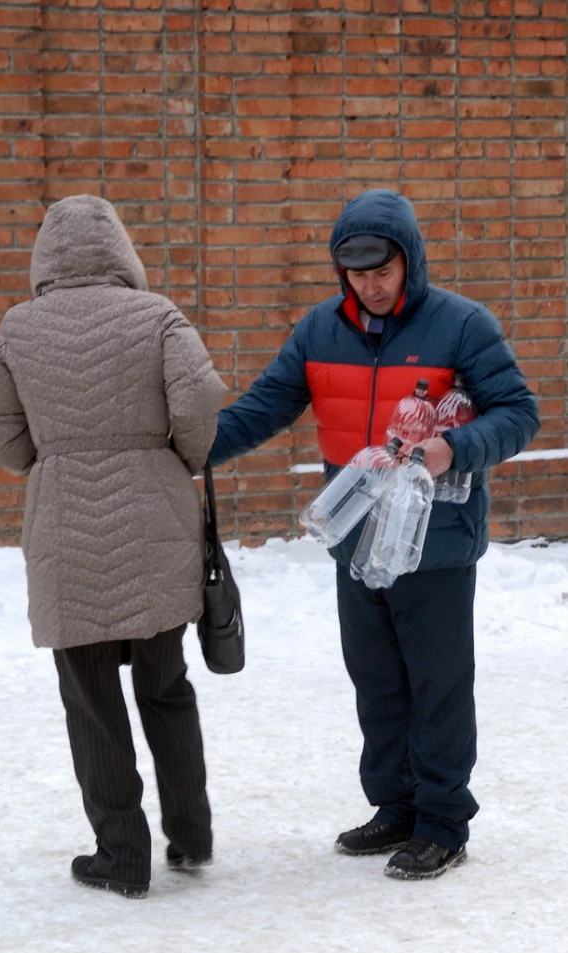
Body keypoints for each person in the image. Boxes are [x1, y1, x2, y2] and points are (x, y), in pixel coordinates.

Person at [210, 189, 539, 880]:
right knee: (377, 682)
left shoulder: (461, 325)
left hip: (437, 539)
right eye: (356, 272)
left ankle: (444, 820)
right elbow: (263, 407)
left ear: (409, 260)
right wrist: (189, 446)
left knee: (437, 683)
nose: (371, 284)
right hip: (358, 540)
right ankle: (396, 805)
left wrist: (457, 446)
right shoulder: (318, 331)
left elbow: (518, 412)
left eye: (382, 269)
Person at [0, 194, 226, 898]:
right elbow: (201, 404)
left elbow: (3, 440)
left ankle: (121, 855)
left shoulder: (16, 329)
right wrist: (173, 456)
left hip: (66, 533)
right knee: (166, 685)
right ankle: (191, 833)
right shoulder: (157, 317)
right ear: (120, 248)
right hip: (157, 525)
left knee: (90, 699)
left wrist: (56, 455)